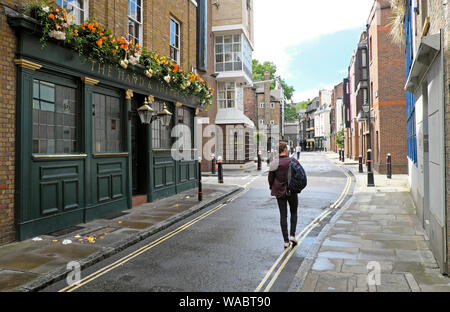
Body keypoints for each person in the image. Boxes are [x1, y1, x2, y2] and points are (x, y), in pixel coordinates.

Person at [268, 142, 299, 249]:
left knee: (283, 215)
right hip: (292, 191)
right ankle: (292, 235)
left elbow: (270, 179)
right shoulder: (293, 161)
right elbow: (299, 175)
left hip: (279, 191)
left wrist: (273, 187)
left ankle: (286, 241)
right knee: (293, 212)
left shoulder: (274, 163)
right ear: (285, 149)